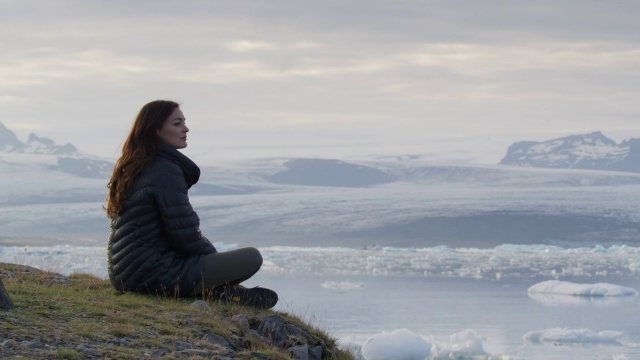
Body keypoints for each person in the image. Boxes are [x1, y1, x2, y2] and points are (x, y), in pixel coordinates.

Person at [105, 100, 277, 309]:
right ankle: (218, 292)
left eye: (184, 123)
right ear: (156, 130)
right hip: (151, 275)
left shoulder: (137, 164)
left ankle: (218, 292)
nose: (186, 129)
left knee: (223, 265)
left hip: (126, 276)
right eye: (177, 124)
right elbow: (184, 234)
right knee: (251, 257)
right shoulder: (164, 169)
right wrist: (215, 262)